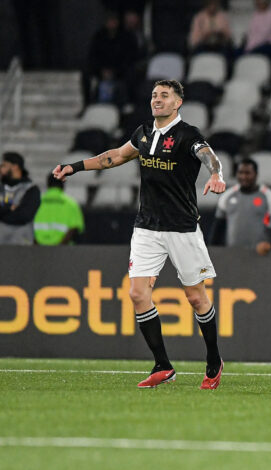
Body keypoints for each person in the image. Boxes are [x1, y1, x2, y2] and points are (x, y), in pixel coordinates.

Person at [53, 79, 227, 390]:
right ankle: (163, 364)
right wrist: (75, 167)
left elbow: (209, 156)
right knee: (136, 294)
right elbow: (116, 156)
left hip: (182, 227)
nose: (157, 100)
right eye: (154, 95)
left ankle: (214, 360)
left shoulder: (188, 134)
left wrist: (216, 173)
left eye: (164, 96)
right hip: (146, 226)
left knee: (195, 297)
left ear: (177, 103)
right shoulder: (144, 132)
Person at [209, 157, 271, 248]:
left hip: (260, 255)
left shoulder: (269, 196)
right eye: (240, 173)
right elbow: (218, 228)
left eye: (247, 173)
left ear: (256, 174)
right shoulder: (227, 196)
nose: (243, 177)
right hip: (233, 254)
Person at [0, 152, 40, 245]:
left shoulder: (31, 189)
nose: (1, 169)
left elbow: (25, 215)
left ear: (15, 166)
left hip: (22, 245)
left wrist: (2, 213)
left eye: (4, 165)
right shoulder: (1, 188)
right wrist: (10, 208)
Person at [34, 172, 85, 245]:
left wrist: (37, 246)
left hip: (39, 250)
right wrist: (60, 247)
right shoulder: (71, 204)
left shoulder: (36, 202)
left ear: (48, 184)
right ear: (63, 184)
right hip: (63, 252)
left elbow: (28, 226)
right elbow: (74, 228)